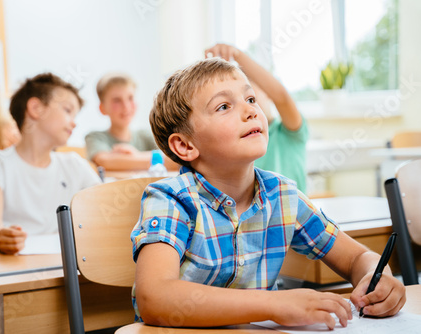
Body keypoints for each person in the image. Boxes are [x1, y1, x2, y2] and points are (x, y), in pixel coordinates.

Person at [130, 58, 405, 329]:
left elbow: (356, 258)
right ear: (185, 145)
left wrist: (377, 277)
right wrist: (275, 304)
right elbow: (154, 297)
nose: (250, 111)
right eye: (224, 106)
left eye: (250, 99)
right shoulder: (170, 199)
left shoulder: (283, 195)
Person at [0, 73, 101, 254]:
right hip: (15, 261)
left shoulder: (74, 164)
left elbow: (104, 206)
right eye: (67, 110)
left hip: (67, 261)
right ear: (36, 108)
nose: (74, 123)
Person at [205, 44, 308, 193]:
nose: (246, 107)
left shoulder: (290, 133)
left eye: (251, 98)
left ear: (268, 93)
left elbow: (282, 98)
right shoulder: (238, 138)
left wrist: (237, 54)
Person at [85, 73, 177, 171]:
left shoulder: (145, 136)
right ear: (102, 108)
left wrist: (136, 156)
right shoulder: (95, 137)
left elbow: (174, 159)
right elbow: (104, 161)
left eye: (130, 98)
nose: (126, 106)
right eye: (117, 100)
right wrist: (154, 159)